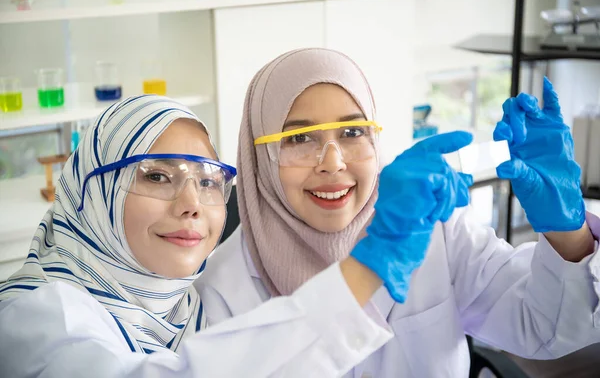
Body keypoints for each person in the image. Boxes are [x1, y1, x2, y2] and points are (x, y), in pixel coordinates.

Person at [196, 48, 600, 377]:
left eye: (353, 132)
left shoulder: (434, 229)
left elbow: (544, 328)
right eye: (299, 137)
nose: (332, 162)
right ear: (259, 156)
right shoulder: (223, 289)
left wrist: (569, 232)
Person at [0, 95, 420, 377]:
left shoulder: (194, 309)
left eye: (208, 181)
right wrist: (363, 272)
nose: (192, 204)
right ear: (95, 194)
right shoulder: (37, 314)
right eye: (158, 176)